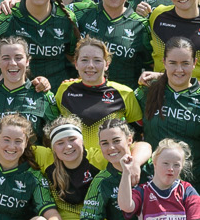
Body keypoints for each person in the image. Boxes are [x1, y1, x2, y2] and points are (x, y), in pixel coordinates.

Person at [140, 36, 200, 197]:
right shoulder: (147, 92)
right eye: (173, 63)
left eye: (185, 63)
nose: (179, 69)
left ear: (194, 63)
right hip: (150, 182)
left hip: (192, 184)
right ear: (164, 62)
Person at [53, 36, 145, 166]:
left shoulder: (125, 93)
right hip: (74, 167)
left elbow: (137, 134)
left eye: (97, 60)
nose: (90, 65)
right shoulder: (64, 90)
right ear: (76, 64)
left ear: (107, 64)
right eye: (84, 60)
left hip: (110, 168)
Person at [36, 117, 103, 220]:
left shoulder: (98, 158)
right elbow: (13, 145)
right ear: (53, 148)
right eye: (60, 143)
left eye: (72, 139)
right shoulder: (45, 157)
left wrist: (134, 163)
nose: (68, 146)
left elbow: (141, 146)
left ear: (82, 140)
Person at [74, 0, 153, 88]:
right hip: (87, 94)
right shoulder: (82, 14)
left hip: (124, 96)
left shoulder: (141, 25)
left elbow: (151, 66)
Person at [0, 36, 55, 139]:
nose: (12, 63)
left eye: (18, 58)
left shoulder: (42, 94)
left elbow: (54, 136)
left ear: (27, 61)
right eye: (6, 58)